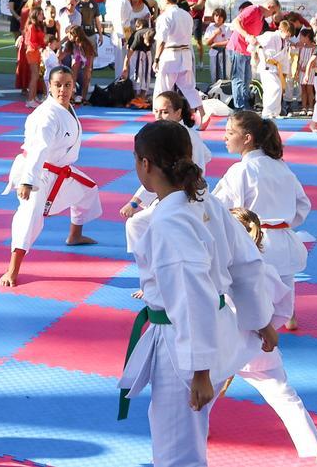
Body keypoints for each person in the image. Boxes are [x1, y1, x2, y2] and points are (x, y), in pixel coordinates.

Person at [118, 120, 278, 465]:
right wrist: (260, 319)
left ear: (144, 164)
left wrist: (199, 370)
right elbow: (246, 261)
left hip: (183, 345)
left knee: (177, 450)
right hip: (215, 330)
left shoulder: (170, 220)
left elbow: (192, 294)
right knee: (182, 437)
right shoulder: (202, 200)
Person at [225, 209, 317, 467]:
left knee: (200, 397)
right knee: (287, 399)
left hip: (222, 347)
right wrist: (269, 329)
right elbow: (284, 309)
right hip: (259, 347)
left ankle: (199, 433)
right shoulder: (265, 270)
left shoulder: (216, 272)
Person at [0, 67, 101, 287]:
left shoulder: (66, 108)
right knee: (30, 216)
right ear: (49, 85)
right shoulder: (47, 115)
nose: (63, 90)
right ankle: (12, 269)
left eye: (67, 85)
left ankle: (75, 236)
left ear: (73, 85)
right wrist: (28, 181)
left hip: (57, 169)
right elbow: (38, 148)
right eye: (58, 85)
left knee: (88, 190)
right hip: (38, 172)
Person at [214, 111, 311, 331]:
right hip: (284, 239)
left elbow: (220, 206)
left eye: (230, 133)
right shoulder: (280, 165)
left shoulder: (240, 170)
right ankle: (290, 314)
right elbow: (303, 204)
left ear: (247, 138)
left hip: (254, 242)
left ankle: (258, 324)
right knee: (285, 281)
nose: (225, 137)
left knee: (251, 287)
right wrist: (285, 223)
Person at [118, 91, 211, 243]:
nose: (159, 116)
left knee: (136, 224)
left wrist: (135, 202)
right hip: (195, 193)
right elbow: (207, 156)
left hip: (184, 194)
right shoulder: (187, 134)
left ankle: (148, 264)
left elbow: (159, 175)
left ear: (178, 112)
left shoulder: (175, 138)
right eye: (155, 111)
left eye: (165, 112)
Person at [153, 0, 204, 118]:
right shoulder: (187, 15)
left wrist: (157, 59)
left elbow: (161, 40)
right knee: (189, 88)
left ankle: (159, 116)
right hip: (185, 54)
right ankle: (203, 114)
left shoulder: (165, 16)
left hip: (170, 55)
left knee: (162, 88)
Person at [228, 0, 279, 111]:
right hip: (238, 48)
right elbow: (236, 22)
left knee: (247, 79)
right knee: (239, 78)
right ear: (270, 6)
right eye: (274, 12)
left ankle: (245, 104)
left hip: (247, 50)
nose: (273, 15)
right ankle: (239, 107)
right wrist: (247, 36)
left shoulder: (261, 18)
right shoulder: (253, 9)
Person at [255, 20, 292, 119]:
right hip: (267, 66)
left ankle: (274, 113)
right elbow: (257, 44)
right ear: (281, 29)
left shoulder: (285, 43)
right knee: (275, 88)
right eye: (287, 33)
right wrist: (261, 57)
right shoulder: (271, 35)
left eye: (289, 35)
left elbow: (284, 59)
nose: (288, 37)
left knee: (275, 89)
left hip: (276, 68)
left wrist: (284, 73)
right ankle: (268, 112)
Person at [113, 0, 151, 78]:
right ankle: (120, 82)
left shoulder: (127, 1)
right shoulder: (122, 1)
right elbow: (118, 20)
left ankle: (129, 82)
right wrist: (122, 37)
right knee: (121, 61)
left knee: (129, 58)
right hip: (120, 33)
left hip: (127, 31)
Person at [21, 6, 46, 108]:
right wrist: (40, 47)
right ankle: (30, 100)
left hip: (38, 52)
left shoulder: (40, 26)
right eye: (40, 14)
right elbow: (30, 42)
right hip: (32, 52)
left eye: (42, 13)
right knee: (35, 76)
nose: (42, 15)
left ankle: (33, 97)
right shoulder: (32, 27)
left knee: (37, 76)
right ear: (35, 15)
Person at [203, 8, 231, 84]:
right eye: (216, 15)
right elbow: (207, 43)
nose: (218, 18)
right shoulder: (210, 28)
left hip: (224, 54)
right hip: (213, 54)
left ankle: (225, 90)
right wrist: (214, 34)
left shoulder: (227, 28)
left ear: (224, 18)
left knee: (225, 73)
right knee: (214, 74)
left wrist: (216, 44)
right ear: (214, 16)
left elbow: (229, 42)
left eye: (220, 16)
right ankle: (215, 90)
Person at [296, 27, 317, 118]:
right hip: (302, 71)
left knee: (309, 89)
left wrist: (308, 67)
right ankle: (304, 107)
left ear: (307, 36)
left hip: (310, 71)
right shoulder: (302, 48)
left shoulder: (314, 48)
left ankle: (311, 107)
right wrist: (299, 68)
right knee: (303, 89)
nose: (300, 39)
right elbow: (299, 59)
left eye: (301, 37)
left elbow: (315, 61)